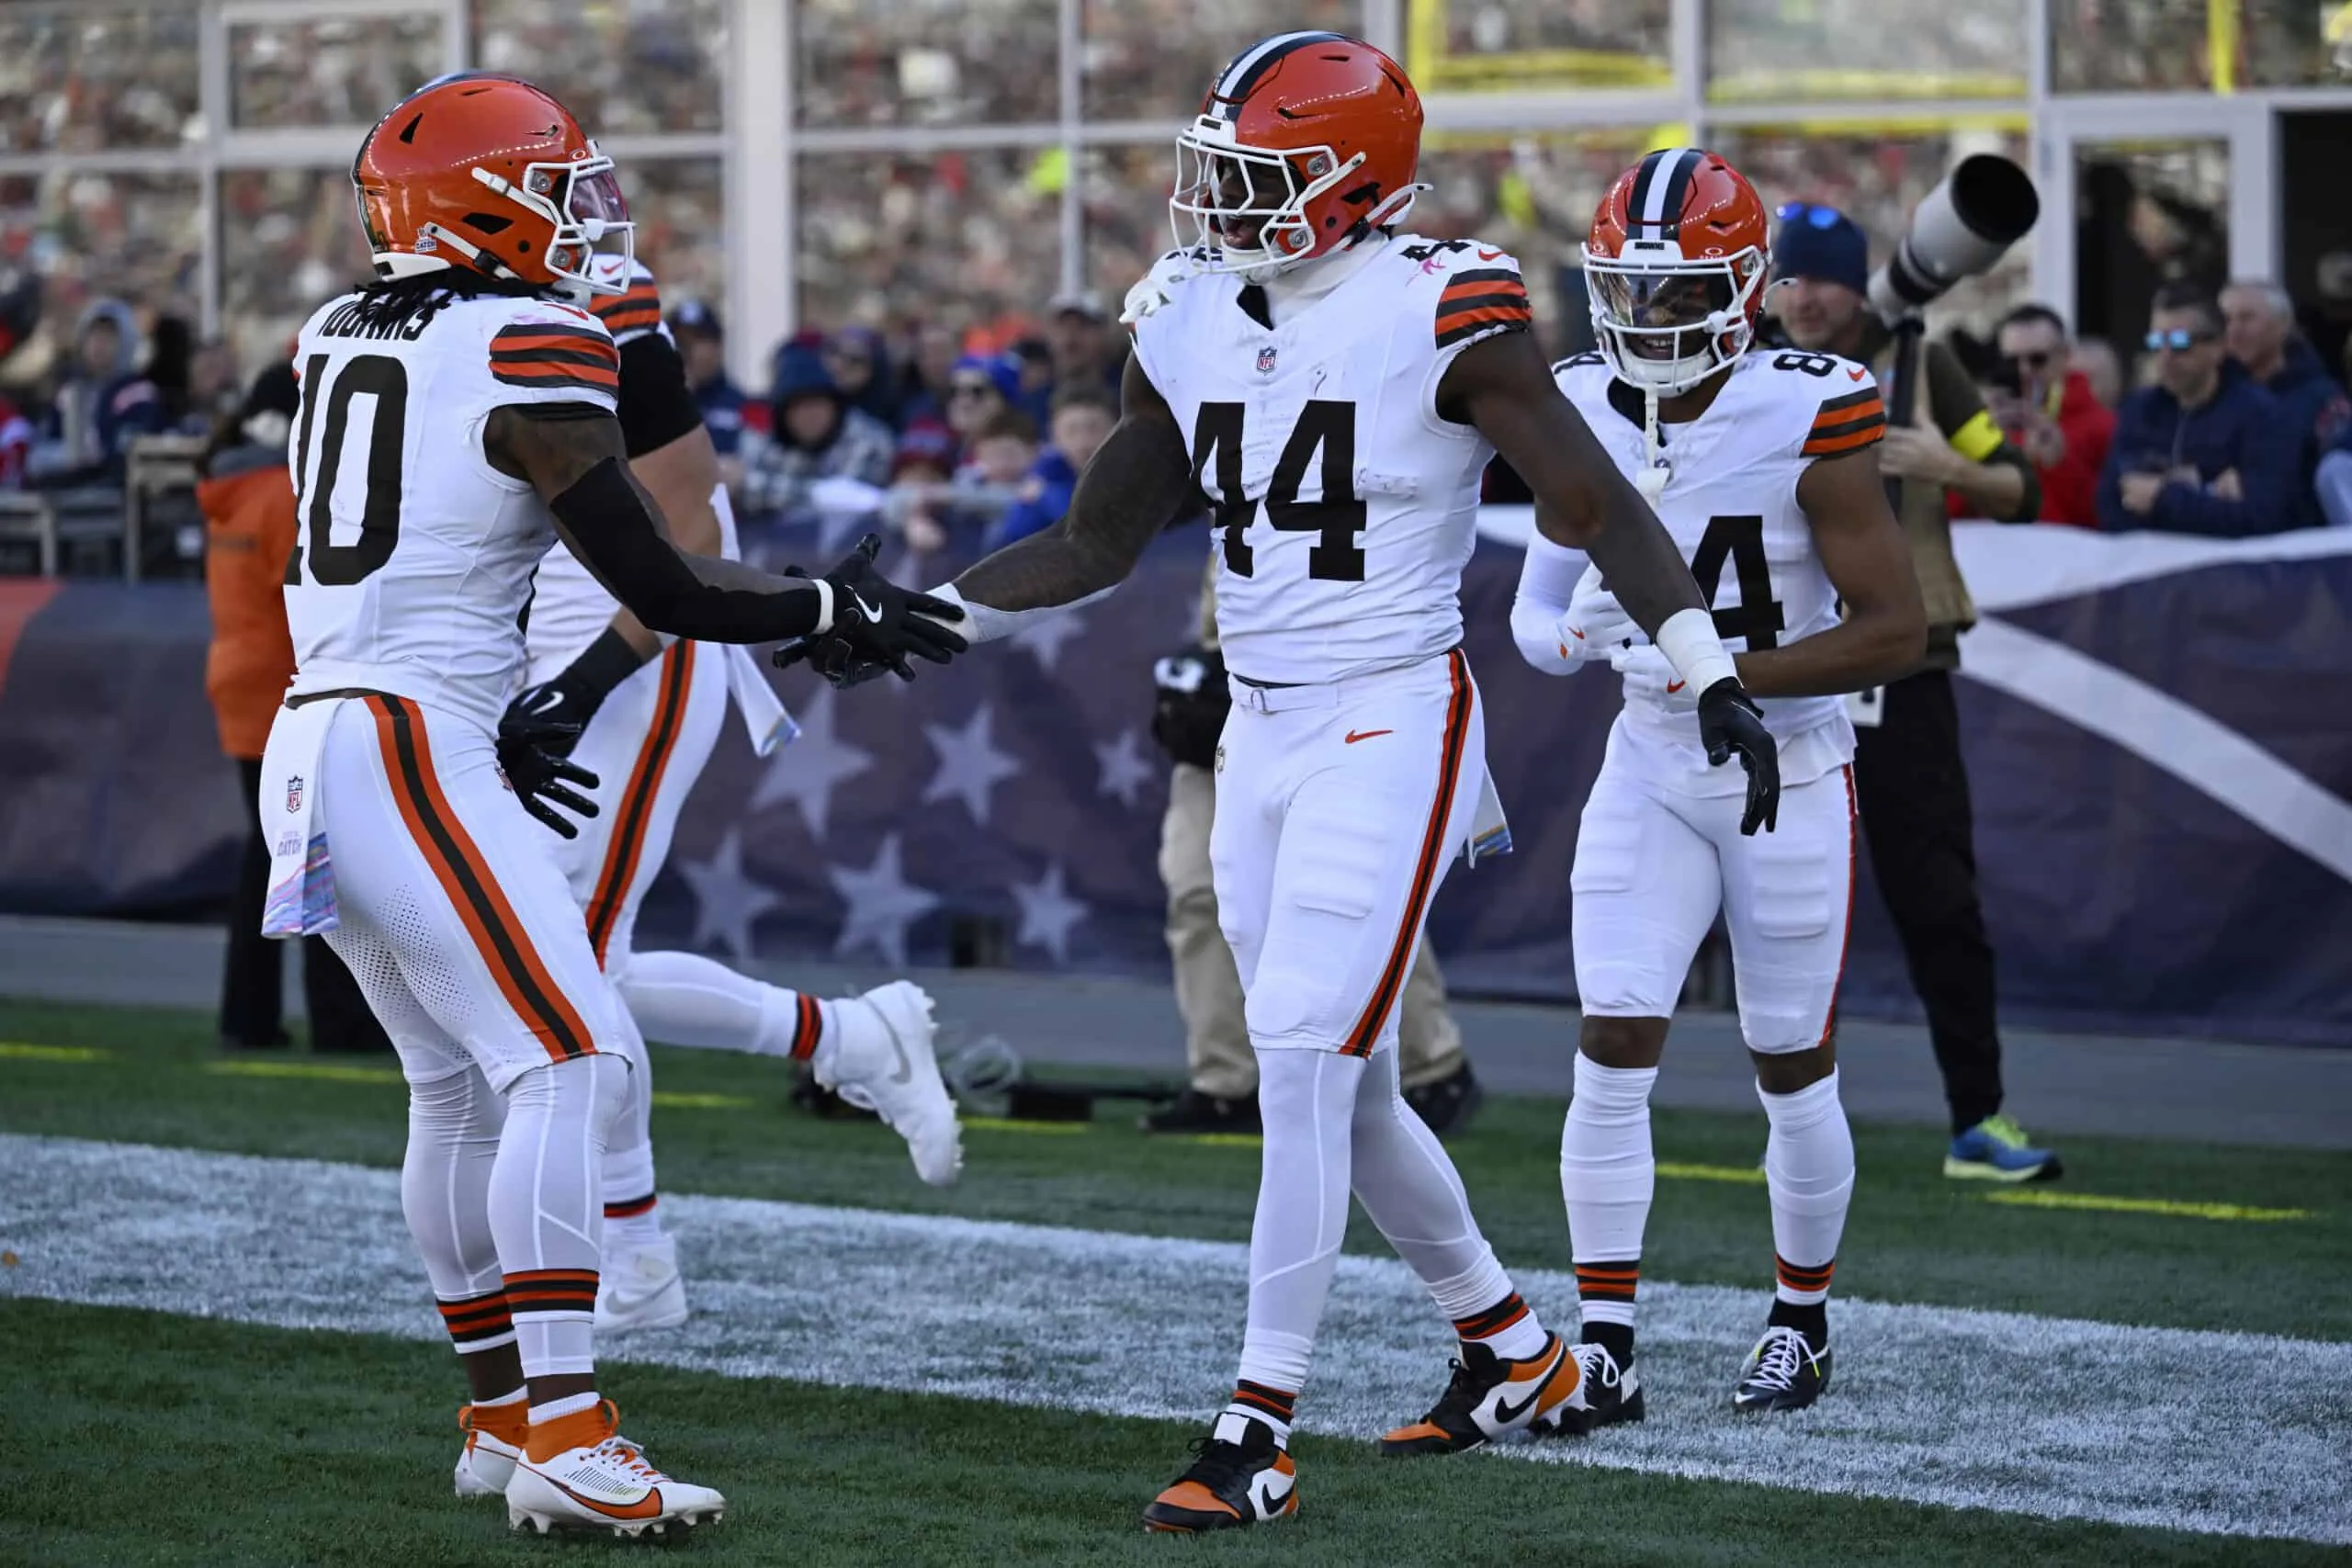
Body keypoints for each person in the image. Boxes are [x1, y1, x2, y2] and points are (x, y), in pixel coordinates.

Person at [781, 31, 1780, 1533]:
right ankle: (1519, 1351)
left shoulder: (1450, 301)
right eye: (1218, 173)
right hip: (1260, 735)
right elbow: (1101, 537)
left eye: (1259, 176)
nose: (1222, 202)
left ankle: (1255, 1422)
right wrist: (937, 617)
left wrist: (1710, 668)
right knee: (1351, 1083)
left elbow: (1593, 500)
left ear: (1353, 181)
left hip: (1393, 717)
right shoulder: (1181, 311)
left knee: (1305, 1060)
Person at [266, 74, 959, 1538]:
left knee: (457, 1084)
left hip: (326, 729)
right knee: (569, 1057)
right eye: (552, 183)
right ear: (480, 201)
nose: (581, 213)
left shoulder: (335, 330)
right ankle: (571, 1432)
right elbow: (663, 578)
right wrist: (834, 598)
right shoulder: (531, 335)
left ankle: (502, 1415)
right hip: (410, 738)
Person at [1515, 149, 1924, 1423]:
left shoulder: (1809, 402)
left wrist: (1723, 669)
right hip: (1647, 758)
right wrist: (1570, 630)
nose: (1644, 322)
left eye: (1676, 292)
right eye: (1625, 294)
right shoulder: (1578, 390)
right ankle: (1606, 1339)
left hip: (1786, 763)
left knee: (1791, 1058)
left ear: (1744, 288)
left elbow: (1894, 626)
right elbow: (1539, 606)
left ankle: (1800, 1318)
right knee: (1611, 1042)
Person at [509, 242, 965, 1338]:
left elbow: (695, 538)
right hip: (537, 639)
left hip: (631, 643)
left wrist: (578, 685)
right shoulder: (456, 316)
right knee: (563, 963)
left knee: (560, 967)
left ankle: (637, 1255)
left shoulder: (605, 309)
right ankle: (848, 1042)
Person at [1771, 204, 2064, 1184]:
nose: (1801, 297)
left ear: (1860, 284)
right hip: (1781, 661)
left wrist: (1943, 464)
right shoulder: (1749, 360)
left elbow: (2017, 483)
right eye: (1787, 278)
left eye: (1820, 277)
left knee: (1938, 898)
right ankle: (1793, 1123)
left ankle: (1977, 1120)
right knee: (1776, 905)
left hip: (1904, 663)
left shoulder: (1921, 365)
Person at [1148, 556, 1485, 1138]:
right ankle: (1227, 1081)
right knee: (1198, 891)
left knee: (1360, 890)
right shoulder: (1237, 478)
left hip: (1351, 713)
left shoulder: (1375, 489)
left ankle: (1432, 1064)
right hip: (1245, 714)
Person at [198, 363, 392, 1057]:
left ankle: (249, 1014)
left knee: (271, 857)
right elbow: (319, 597)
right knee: (318, 857)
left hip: (240, 683)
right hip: (285, 687)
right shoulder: (285, 496)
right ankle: (338, 1020)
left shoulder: (231, 492)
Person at [2098, 283, 2301, 536]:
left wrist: (2164, 498)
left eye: (2180, 343)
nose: (2166, 355)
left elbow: (2262, 517)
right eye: (2157, 341)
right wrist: (2207, 495)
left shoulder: (2260, 415)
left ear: (2218, 347)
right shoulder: (2140, 411)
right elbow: (2111, 507)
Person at [2221, 279, 2347, 527]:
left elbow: (2332, 483)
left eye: (2247, 319)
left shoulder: (2323, 400)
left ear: (2282, 326)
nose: (2233, 331)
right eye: (2225, 320)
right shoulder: (2206, 398)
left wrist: (2255, 485)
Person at [738, 337, 897, 526]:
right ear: (783, 413)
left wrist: (777, 490)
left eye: (817, 403)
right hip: (778, 549)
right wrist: (816, 493)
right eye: (799, 406)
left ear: (835, 406)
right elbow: (743, 487)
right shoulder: (764, 436)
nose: (810, 415)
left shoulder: (870, 439)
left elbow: (849, 500)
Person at [1989, 304, 2114, 527]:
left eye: (2037, 359)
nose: (2023, 370)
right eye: (2011, 361)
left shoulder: (2104, 426)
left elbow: (2108, 518)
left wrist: (2059, 464)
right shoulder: (1992, 420)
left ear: (2065, 356)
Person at [30, 299, 163, 486]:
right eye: (93, 336)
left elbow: (129, 452)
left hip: (117, 501)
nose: (99, 345)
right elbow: (42, 450)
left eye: (109, 338)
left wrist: (89, 457)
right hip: (67, 498)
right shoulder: (69, 393)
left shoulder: (137, 393)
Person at [990, 384, 1115, 550]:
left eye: (1093, 429)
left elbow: (1088, 527)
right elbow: (1011, 535)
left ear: (1115, 429)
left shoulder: (1132, 471)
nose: (1083, 442)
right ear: (1054, 435)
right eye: (1071, 431)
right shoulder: (1048, 469)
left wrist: (1044, 495)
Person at [663, 299, 747, 472]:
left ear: (718, 345)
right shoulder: (655, 404)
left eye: (700, 339)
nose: (690, 351)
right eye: (681, 342)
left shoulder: (743, 406)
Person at [1044, 289, 1125, 404]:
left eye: (1082, 327)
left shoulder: (1127, 395)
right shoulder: (1035, 400)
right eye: (1062, 327)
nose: (1069, 339)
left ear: (1104, 333)